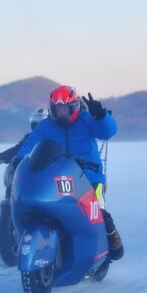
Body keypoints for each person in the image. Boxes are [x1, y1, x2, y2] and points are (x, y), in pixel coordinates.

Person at [15, 86, 123, 260]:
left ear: (74, 107)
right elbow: (30, 145)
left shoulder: (86, 120)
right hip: (57, 176)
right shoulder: (46, 126)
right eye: (58, 110)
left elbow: (108, 131)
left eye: (65, 109)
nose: (62, 113)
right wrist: (18, 160)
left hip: (89, 176)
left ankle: (112, 238)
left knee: (98, 211)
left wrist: (101, 116)